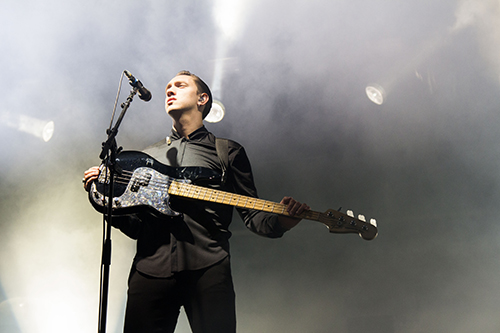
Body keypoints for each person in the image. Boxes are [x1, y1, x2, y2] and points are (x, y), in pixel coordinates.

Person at [83, 70, 310, 333]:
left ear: (202, 99)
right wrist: (109, 199)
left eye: (179, 85)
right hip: (150, 270)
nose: (170, 90)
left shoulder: (227, 151)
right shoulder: (147, 156)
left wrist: (282, 221)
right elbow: (137, 227)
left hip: (209, 268)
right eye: (168, 87)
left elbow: (252, 214)